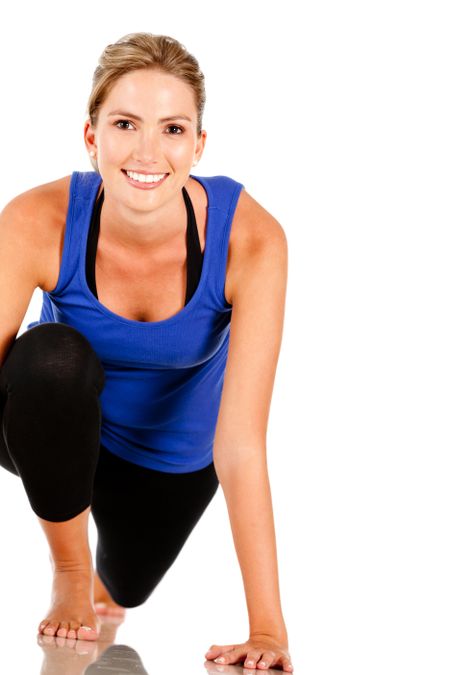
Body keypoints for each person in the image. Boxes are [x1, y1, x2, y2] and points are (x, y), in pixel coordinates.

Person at [0, 32, 292, 671]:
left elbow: (240, 444)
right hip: (53, 419)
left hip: (167, 459)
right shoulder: (34, 220)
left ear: (199, 145)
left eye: (173, 128)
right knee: (52, 359)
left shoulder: (252, 239)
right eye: (125, 123)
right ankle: (71, 568)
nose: (147, 151)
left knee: (126, 586)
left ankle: (103, 581)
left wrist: (268, 629)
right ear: (91, 137)